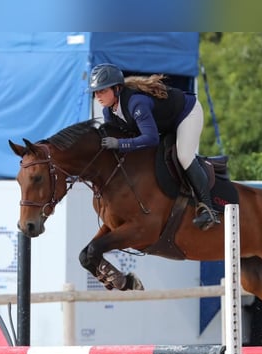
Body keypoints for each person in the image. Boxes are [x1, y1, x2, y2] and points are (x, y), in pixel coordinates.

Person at [88, 63, 219, 231]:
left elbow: (150, 139)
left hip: (187, 113)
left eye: (103, 90)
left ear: (117, 89)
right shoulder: (108, 112)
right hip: (164, 123)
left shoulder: (136, 103)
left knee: (184, 155)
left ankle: (207, 209)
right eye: (96, 92)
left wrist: (119, 143)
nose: (98, 96)